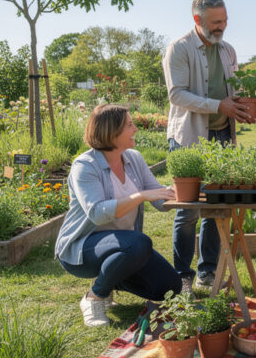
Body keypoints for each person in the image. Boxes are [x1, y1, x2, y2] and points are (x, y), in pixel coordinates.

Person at [56, 104, 180, 327]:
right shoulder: (85, 166)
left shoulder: (133, 158)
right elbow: (97, 214)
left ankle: (111, 279)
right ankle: (94, 297)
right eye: (130, 125)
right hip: (83, 248)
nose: (136, 129)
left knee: (171, 287)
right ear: (111, 132)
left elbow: (159, 200)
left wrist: (182, 194)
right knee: (139, 243)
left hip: (124, 247)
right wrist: (141, 195)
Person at [163, 0, 254, 291]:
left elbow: (234, 90)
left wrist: (240, 108)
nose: (221, 27)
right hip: (190, 137)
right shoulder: (179, 49)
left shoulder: (227, 50)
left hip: (222, 136)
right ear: (197, 20)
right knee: (187, 209)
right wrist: (219, 106)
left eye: (225, 21)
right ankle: (182, 275)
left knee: (217, 206)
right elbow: (177, 94)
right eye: (215, 22)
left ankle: (208, 271)